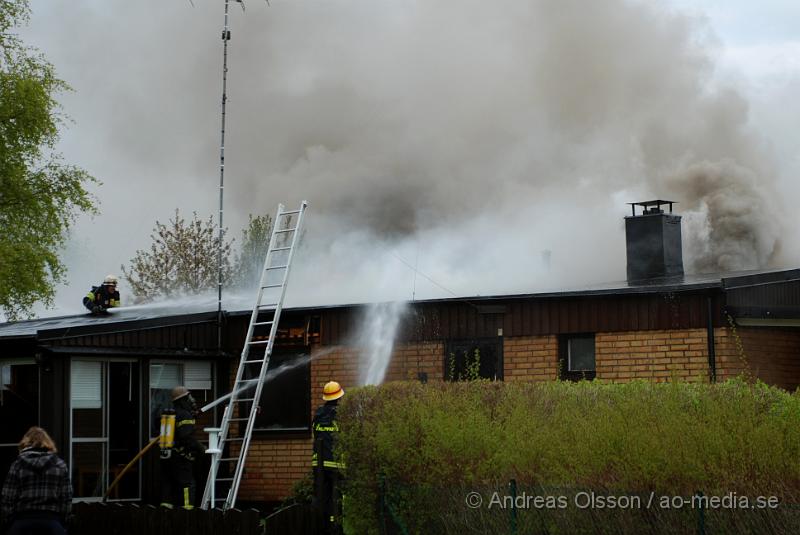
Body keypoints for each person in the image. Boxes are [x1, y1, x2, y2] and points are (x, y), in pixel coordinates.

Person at [0, 427, 72, 535]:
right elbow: (66, 499)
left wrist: (9, 521)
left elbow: (7, 497)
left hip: (22, 522)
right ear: (48, 443)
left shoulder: (17, 465)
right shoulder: (60, 465)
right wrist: (62, 522)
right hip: (52, 522)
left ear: (25, 443)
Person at [160, 386, 204, 510]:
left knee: (168, 483)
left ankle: (165, 509)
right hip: (181, 457)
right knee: (187, 484)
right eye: (188, 397)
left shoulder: (173, 413)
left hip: (168, 456)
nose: (192, 399)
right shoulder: (185, 415)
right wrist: (201, 448)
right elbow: (186, 437)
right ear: (182, 400)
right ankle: (187, 510)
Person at [312, 381, 345, 535]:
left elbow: (315, 436)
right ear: (339, 397)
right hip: (336, 463)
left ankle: (323, 527)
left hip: (318, 463)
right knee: (337, 498)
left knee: (322, 497)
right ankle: (336, 528)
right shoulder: (342, 414)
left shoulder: (318, 414)